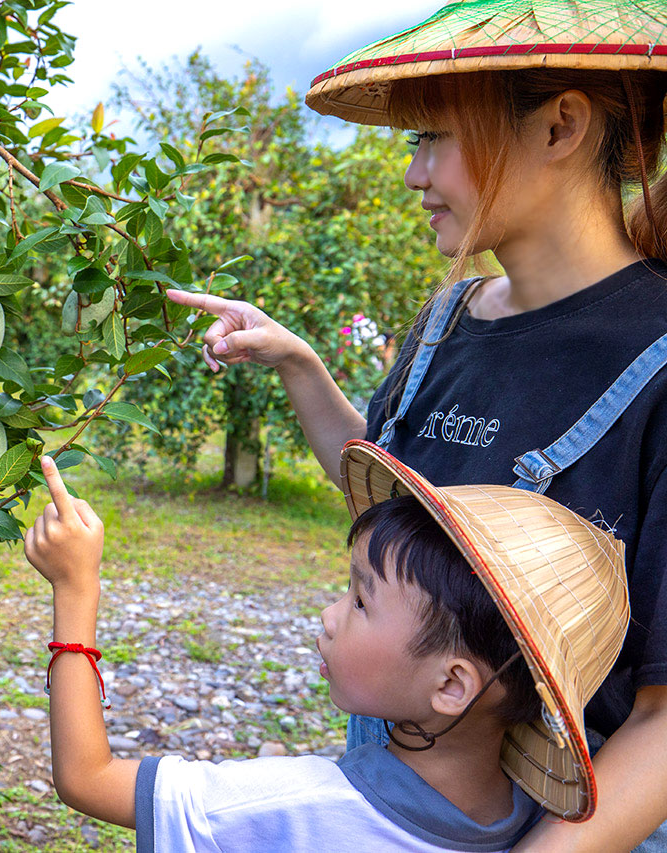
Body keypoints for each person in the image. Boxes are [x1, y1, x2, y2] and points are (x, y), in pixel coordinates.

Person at [166, 3, 667, 849]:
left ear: (561, 126)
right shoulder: (449, 321)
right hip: (414, 785)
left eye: (434, 137)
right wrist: (299, 363)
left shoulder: (654, 365)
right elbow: (400, 500)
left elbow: (662, 717)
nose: (413, 173)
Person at [24, 444, 628, 850]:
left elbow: (87, 778)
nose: (330, 615)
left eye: (361, 601)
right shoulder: (522, 822)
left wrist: (77, 588)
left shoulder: (297, 807)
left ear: (451, 685)